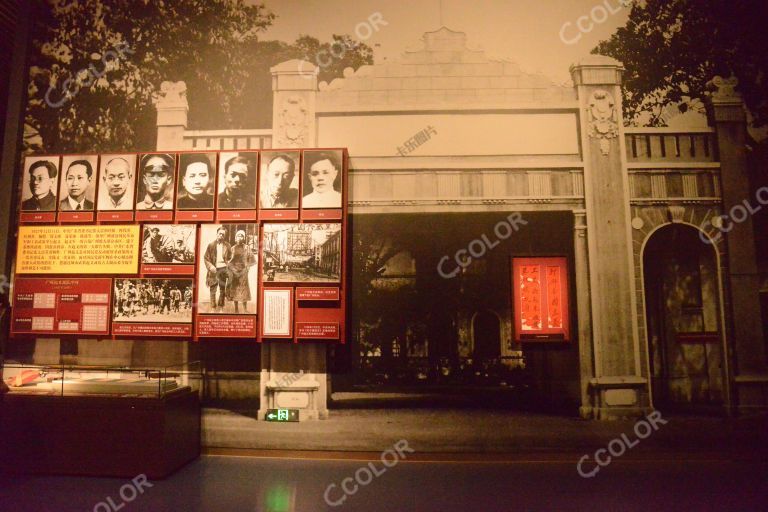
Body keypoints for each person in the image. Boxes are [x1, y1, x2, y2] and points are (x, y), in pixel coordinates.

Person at [226, 229, 256, 313]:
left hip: (243, 272)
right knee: (235, 289)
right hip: (234, 271)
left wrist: (248, 267)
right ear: (236, 238)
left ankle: (245, 309)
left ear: (244, 238)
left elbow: (251, 259)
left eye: (242, 236)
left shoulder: (247, 248)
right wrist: (232, 270)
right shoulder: (232, 249)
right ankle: (236, 309)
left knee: (244, 290)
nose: (240, 237)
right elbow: (229, 261)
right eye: (238, 235)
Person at [204, 227, 232, 313]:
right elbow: (206, 258)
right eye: (220, 233)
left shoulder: (227, 245)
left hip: (223, 269)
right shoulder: (211, 245)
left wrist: (228, 264)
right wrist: (211, 267)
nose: (221, 235)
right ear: (217, 234)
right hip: (214, 269)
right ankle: (213, 307)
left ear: (225, 236)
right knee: (213, 289)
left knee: (222, 289)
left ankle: (221, 307)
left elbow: (230, 257)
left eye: (223, 234)